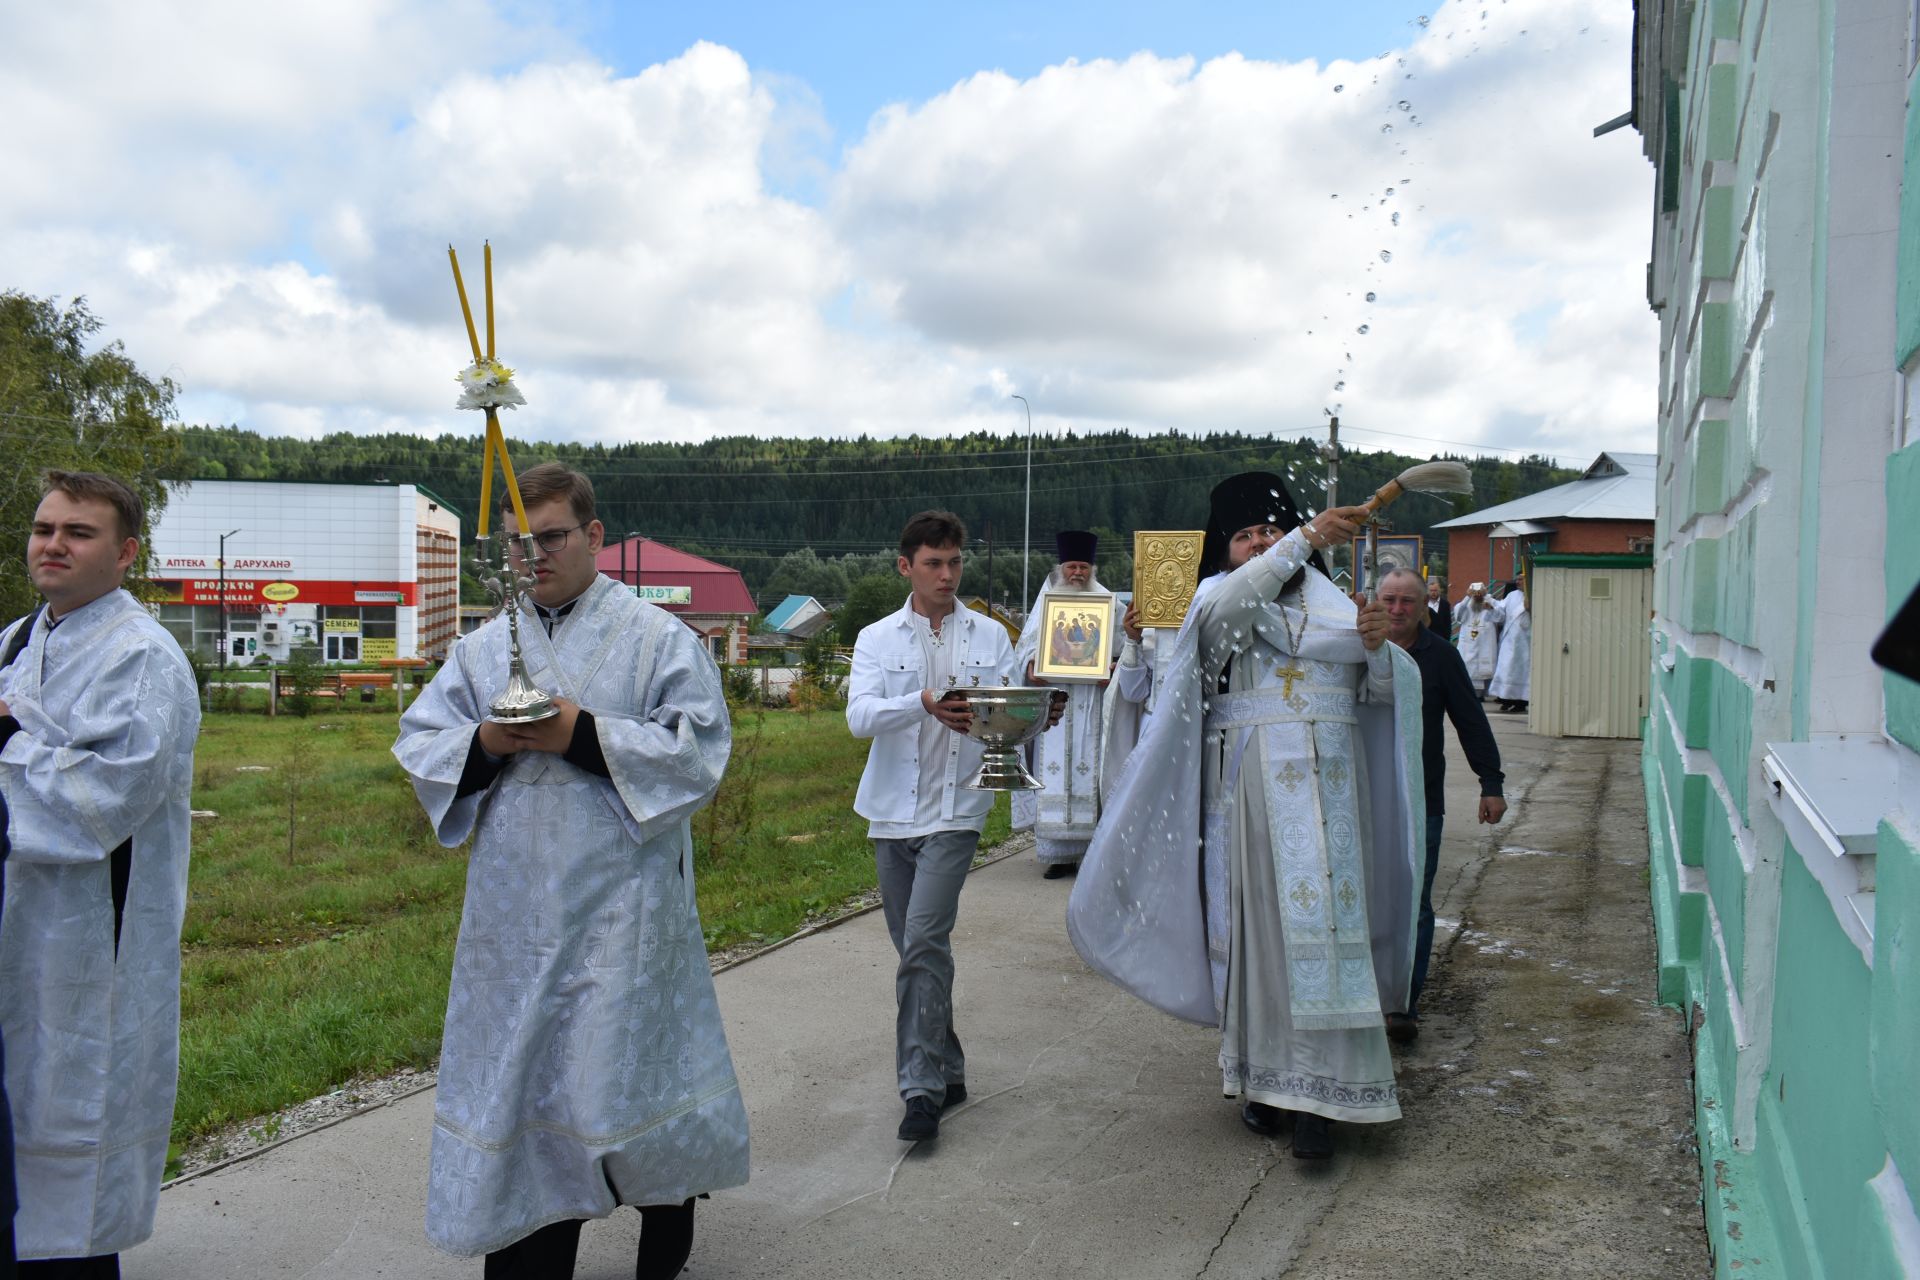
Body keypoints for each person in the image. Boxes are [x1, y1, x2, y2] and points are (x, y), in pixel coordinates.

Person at [393, 464, 747, 1280]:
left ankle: (663, 1238)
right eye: (518, 545)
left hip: (626, 911)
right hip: (512, 922)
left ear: (593, 537)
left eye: (551, 537)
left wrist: (581, 734)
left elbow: (697, 755)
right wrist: (485, 743)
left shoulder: (662, 640)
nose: (533, 557)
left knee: (626, 1085)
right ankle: (529, 1251)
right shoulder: (483, 648)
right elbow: (422, 741)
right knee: (531, 1092)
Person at [1069, 474, 1423, 1161]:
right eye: (1247, 534)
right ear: (1225, 550)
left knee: (1326, 943)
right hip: (1249, 805)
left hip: (1334, 804)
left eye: (1272, 528)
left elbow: (1383, 696)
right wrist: (1305, 537)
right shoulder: (1215, 602)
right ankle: (1264, 1084)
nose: (1262, 542)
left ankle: (1323, 1100)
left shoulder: (1338, 607)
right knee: (1262, 947)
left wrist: (1380, 649)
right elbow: (1222, 615)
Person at [0, 471, 201, 1278]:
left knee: (71, 1165)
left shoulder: (144, 658)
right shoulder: (17, 638)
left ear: (125, 555)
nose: (53, 544)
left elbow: (99, 799)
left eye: (77, 533)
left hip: (90, 940)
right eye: (44, 528)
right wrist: (28, 739)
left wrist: (9, 742)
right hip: (17, 923)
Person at [846, 511, 1055, 1143]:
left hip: (958, 810)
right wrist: (923, 703)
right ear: (906, 566)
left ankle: (921, 1090)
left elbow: (1011, 714)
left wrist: (1043, 707)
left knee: (924, 941)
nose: (946, 573)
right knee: (917, 951)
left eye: (954, 562)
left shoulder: (993, 636)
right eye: (933, 563)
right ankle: (950, 1063)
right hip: (890, 812)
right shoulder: (876, 637)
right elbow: (858, 717)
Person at [1375, 568, 1507, 1041]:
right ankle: (1363, 994)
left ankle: (1403, 1004)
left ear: (1423, 606)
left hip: (1420, 799)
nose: (1396, 610)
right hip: (1362, 800)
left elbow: (1471, 722)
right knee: (1364, 900)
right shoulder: (1353, 652)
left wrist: (1490, 783)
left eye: (1406, 601)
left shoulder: (1442, 657)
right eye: (1388, 600)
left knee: (1414, 901)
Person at [1011, 532, 1151, 879]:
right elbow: (1026, 649)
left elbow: (1127, 650)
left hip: (1093, 705)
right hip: (1056, 705)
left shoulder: (1108, 604)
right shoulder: (1048, 603)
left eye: (1083, 567)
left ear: (1092, 568)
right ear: (1061, 568)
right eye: (1072, 566)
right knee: (1055, 772)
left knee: (1094, 770)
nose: (1078, 573)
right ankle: (1058, 855)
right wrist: (1031, 667)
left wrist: (1114, 671)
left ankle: (1092, 853)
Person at [1453, 582, 1503, 697]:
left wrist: (1490, 607)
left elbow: (1501, 617)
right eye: (1475, 593)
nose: (1477, 595)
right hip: (1468, 644)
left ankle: (1481, 695)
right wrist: (1467, 597)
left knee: (1483, 670)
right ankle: (1469, 693)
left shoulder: (1490, 601)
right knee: (1467, 669)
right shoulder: (1466, 603)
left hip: (1485, 643)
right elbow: (1458, 617)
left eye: (1479, 593)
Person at [1489, 579, 1532, 714]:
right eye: (1518, 579)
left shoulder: (1533, 594)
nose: (1518, 582)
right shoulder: (1512, 595)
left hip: (1524, 640)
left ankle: (1520, 702)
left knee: (1521, 672)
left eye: (1521, 579)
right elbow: (1501, 610)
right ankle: (1506, 699)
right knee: (1506, 669)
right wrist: (1491, 606)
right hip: (1509, 639)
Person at [1426, 576, 1452, 640]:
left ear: (1439, 591)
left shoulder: (1445, 604)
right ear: (1428, 591)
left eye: (1435, 590)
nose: (1433, 593)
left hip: (1441, 638)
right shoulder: (1423, 604)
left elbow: (1447, 624)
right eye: (1431, 590)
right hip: (1426, 637)